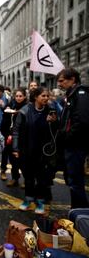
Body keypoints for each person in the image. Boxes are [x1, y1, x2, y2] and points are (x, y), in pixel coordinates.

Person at [12, 87, 57, 214]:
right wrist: (15, 148)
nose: (46, 98)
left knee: (42, 177)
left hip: (43, 151)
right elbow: (16, 131)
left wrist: (52, 122)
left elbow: (57, 130)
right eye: (43, 96)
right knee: (29, 177)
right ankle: (28, 199)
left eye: (47, 96)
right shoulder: (25, 111)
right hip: (27, 149)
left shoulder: (51, 110)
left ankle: (40, 201)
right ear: (35, 97)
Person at [57, 68, 89, 208]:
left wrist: (68, 138)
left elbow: (82, 121)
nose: (59, 84)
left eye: (62, 81)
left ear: (73, 80)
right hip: (71, 144)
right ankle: (77, 210)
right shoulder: (72, 94)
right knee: (72, 180)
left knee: (75, 181)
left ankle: (79, 213)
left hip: (76, 145)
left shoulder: (80, 94)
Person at [4, 88, 27, 187]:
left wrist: (18, 113)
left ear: (25, 97)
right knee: (12, 159)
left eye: (20, 96)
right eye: (17, 96)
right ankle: (15, 178)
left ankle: (26, 179)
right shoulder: (12, 105)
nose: (18, 98)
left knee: (23, 159)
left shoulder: (27, 107)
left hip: (22, 136)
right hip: (11, 135)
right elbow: (6, 121)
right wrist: (7, 111)